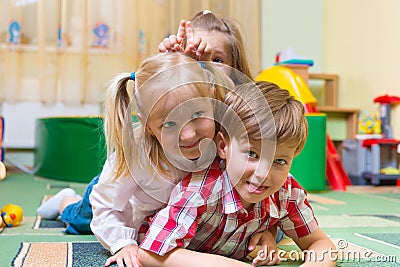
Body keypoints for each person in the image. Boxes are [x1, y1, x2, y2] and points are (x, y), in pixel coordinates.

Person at [136, 81, 337, 267]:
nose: (263, 174)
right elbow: (148, 254)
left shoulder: (286, 193)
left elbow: (321, 244)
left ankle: (271, 232)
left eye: (280, 161)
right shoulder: (201, 191)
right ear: (223, 146)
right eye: (252, 154)